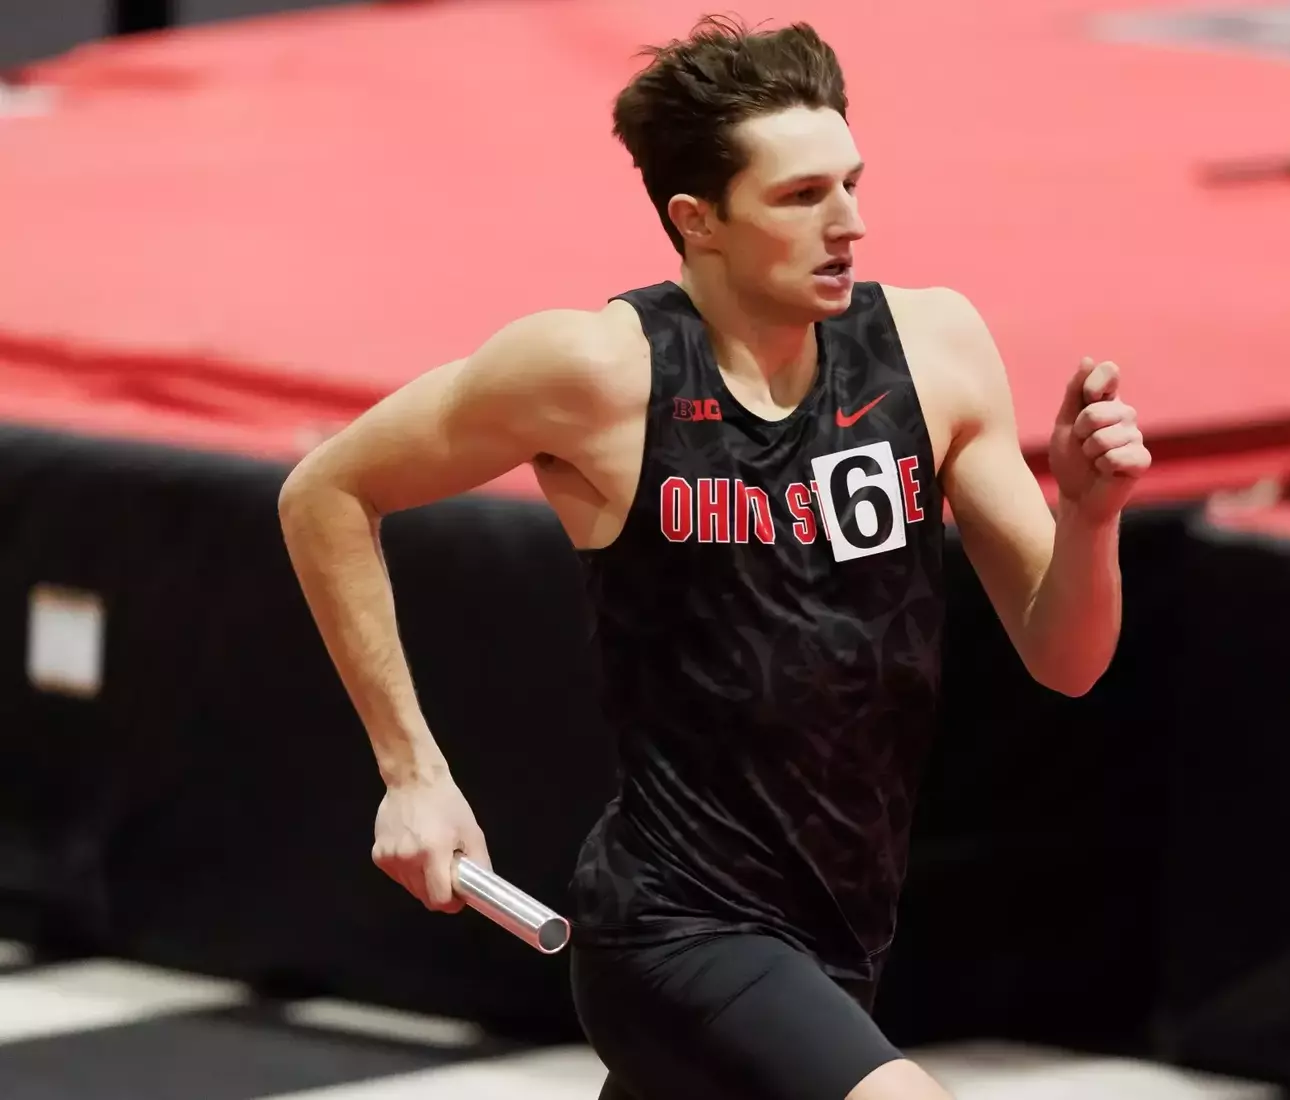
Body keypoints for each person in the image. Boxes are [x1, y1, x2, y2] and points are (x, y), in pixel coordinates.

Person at [277, 15, 1149, 1100]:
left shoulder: (934, 350)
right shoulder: (595, 373)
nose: (851, 224)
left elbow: (1066, 656)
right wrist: (414, 772)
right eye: (800, 197)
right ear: (699, 222)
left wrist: (1091, 515)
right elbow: (328, 489)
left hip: (840, 932)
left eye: (851, 183)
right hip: (673, 922)